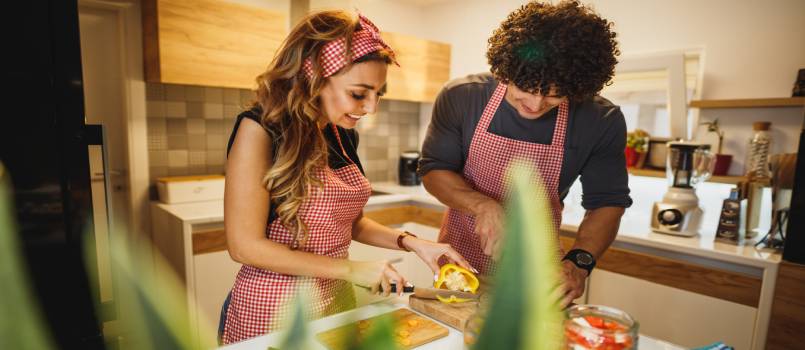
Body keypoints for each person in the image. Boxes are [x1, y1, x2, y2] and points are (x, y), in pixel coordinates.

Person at [220, 10, 473, 344]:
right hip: (276, 309)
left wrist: (412, 242)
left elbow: (349, 223)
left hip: (336, 300)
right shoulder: (260, 130)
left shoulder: (341, 133)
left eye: (378, 94)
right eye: (359, 93)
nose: (371, 108)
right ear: (314, 75)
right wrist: (354, 270)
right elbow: (244, 247)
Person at [419, 0, 632, 308]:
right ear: (504, 69)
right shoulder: (462, 97)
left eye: (554, 94)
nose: (535, 104)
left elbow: (607, 203)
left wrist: (578, 264)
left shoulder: (601, 120)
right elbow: (434, 170)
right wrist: (481, 205)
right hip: (460, 265)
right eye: (526, 86)